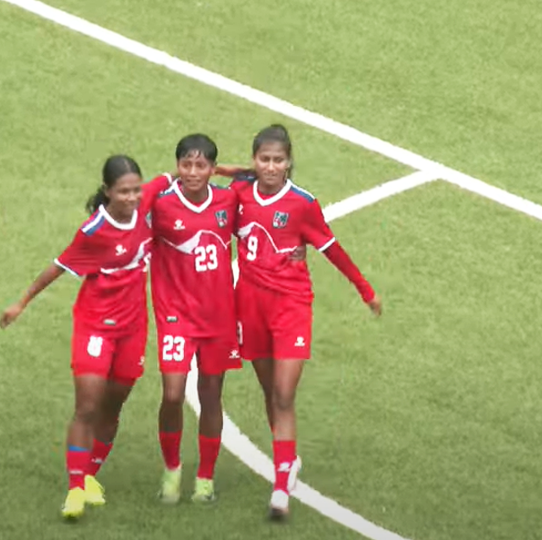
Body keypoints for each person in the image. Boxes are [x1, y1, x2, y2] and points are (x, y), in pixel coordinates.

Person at [218, 124, 382, 518]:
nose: (271, 166)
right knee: (269, 390)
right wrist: (226, 170)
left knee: (284, 393)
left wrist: (365, 290)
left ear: (289, 162)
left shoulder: (302, 204)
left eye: (278, 160)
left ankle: (281, 489)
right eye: (264, 159)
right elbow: (205, 188)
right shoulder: (239, 193)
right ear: (255, 160)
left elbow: (332, 249)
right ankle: (287, 459)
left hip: (290, 307)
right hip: (249, 305)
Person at [0, 156, 173, 519]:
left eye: (135, 190)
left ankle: (90, 474)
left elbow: (177, 175)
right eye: (123, 192)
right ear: (108, 191)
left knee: (114, 405)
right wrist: (21, 303)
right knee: (88, 406)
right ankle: (76, 488)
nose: (131, 197)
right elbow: (57, 267)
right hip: (96, 327)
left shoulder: (146, 202)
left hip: (133, 328)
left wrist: (229, 171)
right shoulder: (94, 232)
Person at [149, 134, 242, 504]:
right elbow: (128, 210)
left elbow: (266, 184)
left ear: (212, 168)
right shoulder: (161, 204)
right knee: (172, 394)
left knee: (211, 395)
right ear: (177, 166)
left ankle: (205, 477)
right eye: (185, 164)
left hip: (218, 316)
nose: (192, 172)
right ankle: (172, 468)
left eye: (200, 165)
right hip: (175, 315)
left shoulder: (228, 200)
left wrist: (229, 171)